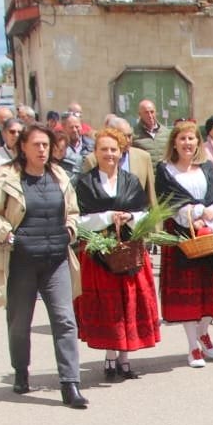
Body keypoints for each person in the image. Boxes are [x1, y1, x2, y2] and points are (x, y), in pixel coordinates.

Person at [0, 122, 88, 409]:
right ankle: (21, 370)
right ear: (22, 147)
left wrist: (70, 231)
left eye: (46, 145)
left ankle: (70, 384)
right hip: (21, 261)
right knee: (19, 322)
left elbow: (73, 211)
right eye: (36, 144)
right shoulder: (6, 177)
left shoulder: (60, 176)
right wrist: (7, 234)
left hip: (55, 261)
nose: (42, 150)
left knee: (64, 320)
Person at [73, 128, 161, 381]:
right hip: (98, 253)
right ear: (96, 152)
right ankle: (110, 356)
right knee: (108, 306)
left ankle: (125, 358)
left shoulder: (131, 181)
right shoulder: (85, 183)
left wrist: (130, 217)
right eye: (104, 149)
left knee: (128, 305)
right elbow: (77, 220)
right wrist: (106, 218)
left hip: (128, 252)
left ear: (121, 152)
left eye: (114, 149)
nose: (109, 154)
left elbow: (144, 212)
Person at [154, 120, 213, 367]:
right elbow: (170, 203)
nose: (187, 143)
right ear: (174, 142)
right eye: (182, 139)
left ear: (198, 142)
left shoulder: (206, 168)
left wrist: (210, 216)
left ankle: (204, 331)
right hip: (182, 235)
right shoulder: (165, 170)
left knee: (211, 288)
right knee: (189, 295)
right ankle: (192, 346)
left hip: (209, 234)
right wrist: (193, 215)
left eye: (192, 138)